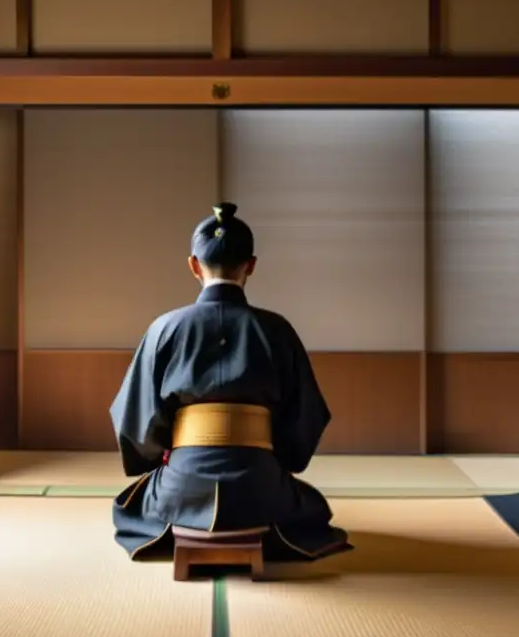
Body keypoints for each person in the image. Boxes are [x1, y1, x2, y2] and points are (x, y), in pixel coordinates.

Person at [109, 202, 351, 562]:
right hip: (260, 488)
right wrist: (272, 459)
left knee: (133, 504)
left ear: (193, 265)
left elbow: (137, 420)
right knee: (310, 505)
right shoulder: (277, 331)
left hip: (183, 485)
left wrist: (165, 454)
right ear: (251, 265)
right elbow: (304, 418)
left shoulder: (164, 329)